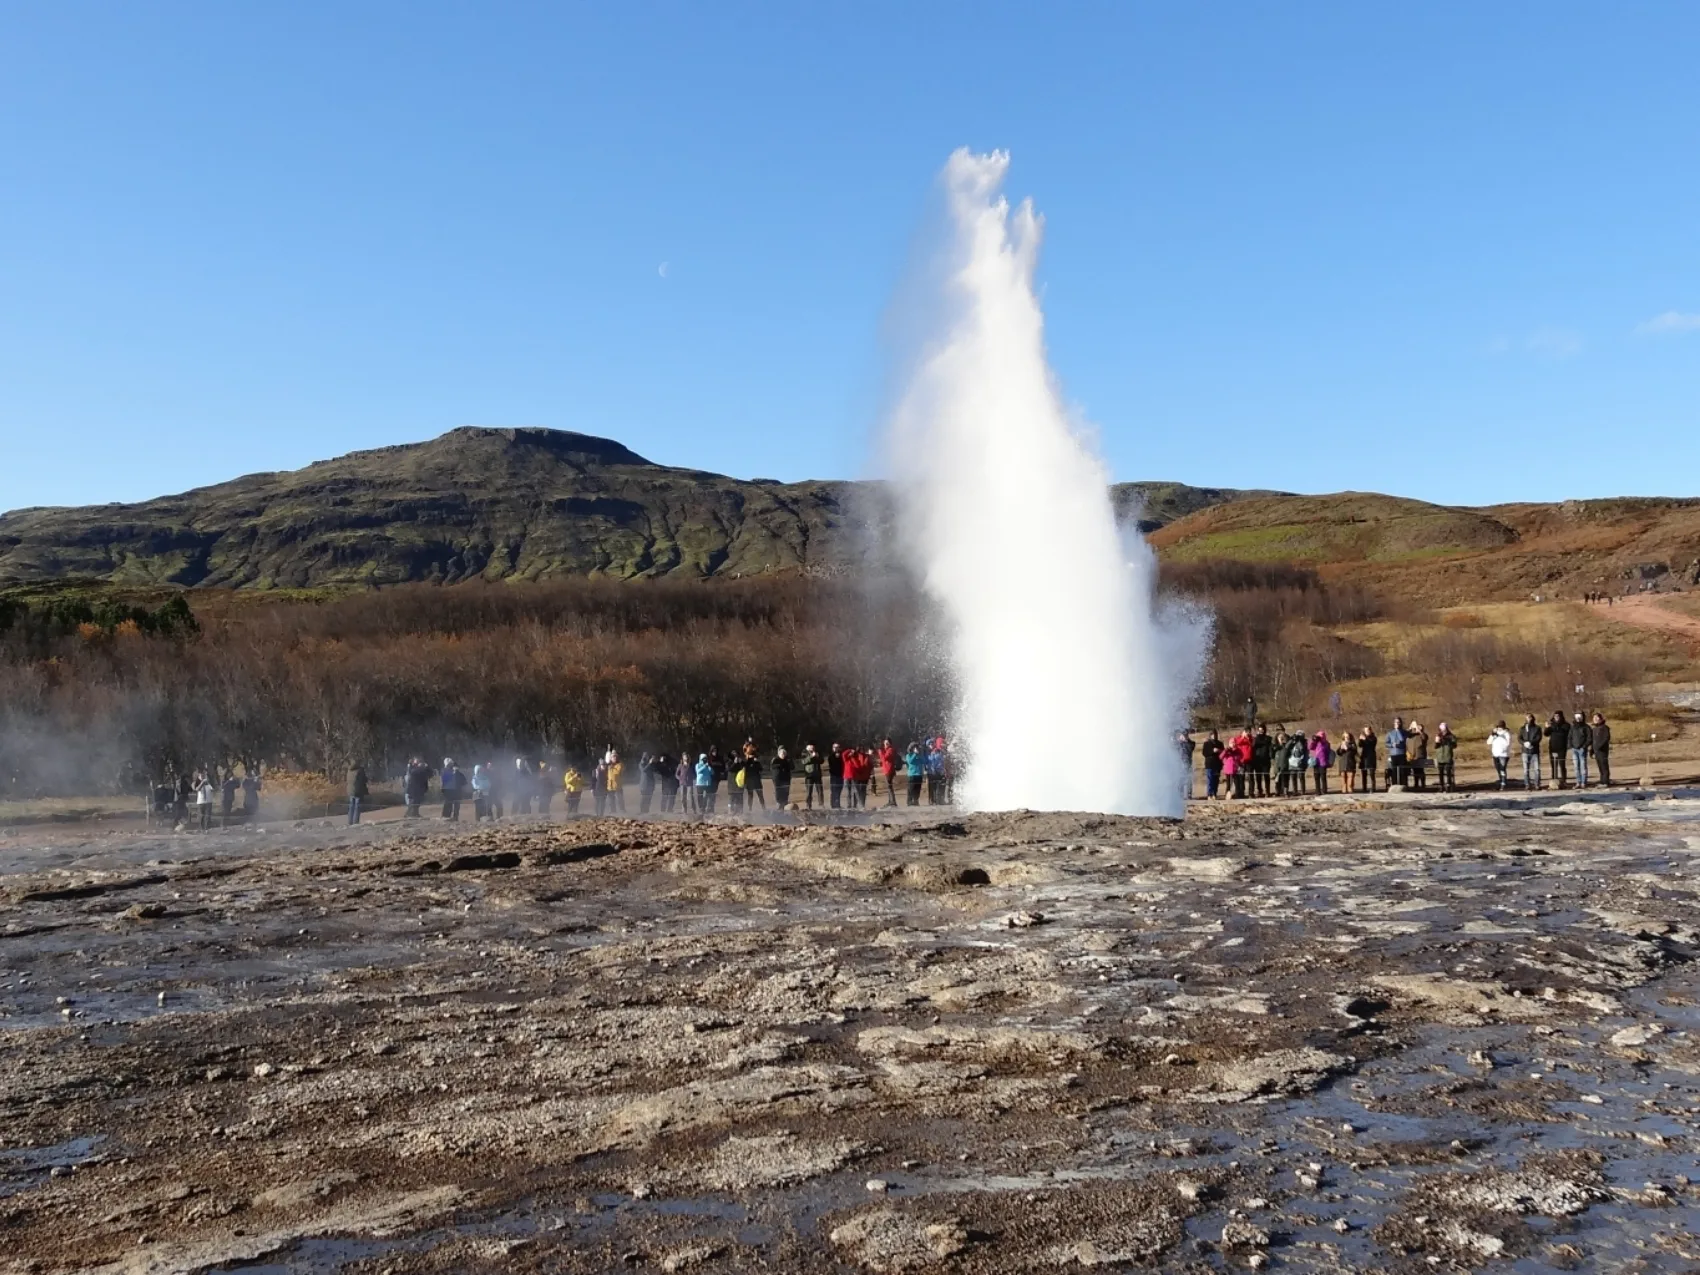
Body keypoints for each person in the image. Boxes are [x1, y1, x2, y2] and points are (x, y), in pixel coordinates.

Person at [1545, 711, 1569, 789]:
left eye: (1558, 716)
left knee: (1562, 765)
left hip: (1562, 747)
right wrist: (1547, 727)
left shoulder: (1566, 725)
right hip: (1553, 747)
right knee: (1553, 765)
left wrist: (1556, 727)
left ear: (1561, 716)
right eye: (1555, 716)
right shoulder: (1551, 725)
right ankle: (1554, 780)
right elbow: (1546, 734)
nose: (1556, 717)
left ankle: (1564, 780)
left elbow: (1565, 732)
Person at [1519, 714, 1544, 790]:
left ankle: (1537, 784)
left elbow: (1538, 738)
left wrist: (1531, 743)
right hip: (1525, 751)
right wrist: (1524, 743)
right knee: (1526, 769)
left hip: (1534, 751)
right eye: (1527, 717)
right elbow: (1519, 738)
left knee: (1536, 769)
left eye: (1530, 717)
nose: (1529, 719)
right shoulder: (1523, 728)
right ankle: (1527, 784)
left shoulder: (1537, 728)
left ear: (1533, 718)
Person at [1488, 720, 1513, 789]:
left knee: (1502, 769)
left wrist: (1503, 750)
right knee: (1498, 769)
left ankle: (1503, 783)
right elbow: (1488, 742)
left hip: (1504, 754)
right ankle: (1501, 781)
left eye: (1501, 727)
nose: (1500, 728)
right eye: (1499, 727)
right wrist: (1493, 734)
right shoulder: (1495, 734)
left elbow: (1508, 744)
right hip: (1495, 754)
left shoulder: (1507, 733)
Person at [1570, 712, 1592, 789]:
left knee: (1583, 766)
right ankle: (1578, 782)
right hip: (1574, 749)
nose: (1578, 718)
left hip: (1582, 749)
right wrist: (1571, 746)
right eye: (1577, 717)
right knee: (1576, 767)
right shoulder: (1573, 727)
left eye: (1580, 717)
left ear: (1582, 717)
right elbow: (1570, 737)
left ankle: (1583, 782)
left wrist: (1584, 747)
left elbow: (1589, 739)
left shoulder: (1586, 727)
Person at [1433, 723, 1458, 792]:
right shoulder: (1438, 736)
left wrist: (1448, 741)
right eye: (1442, 729)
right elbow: (1435, 747)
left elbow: (1454, 745)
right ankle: (1441, 786)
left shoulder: (1451, 736)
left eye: (1444, 729)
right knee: (1440, 773)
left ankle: (1448, 785)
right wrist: (1437, 742)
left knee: (1448, 773)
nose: (1443, 731)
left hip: (1448, 756)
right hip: (1440, 757)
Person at [1384, 717, 1408, 789]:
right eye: (1396, 722)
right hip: (1393, 754)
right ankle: (1394, 785)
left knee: (1402, 771)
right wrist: (1392, 745)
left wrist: (1398, 731)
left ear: (1400, 723)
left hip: (1401, 753)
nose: (1397, 723)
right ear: (1394, 723)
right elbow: (1386, 743)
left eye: (1398, 722)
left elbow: (1402, 739)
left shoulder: (1403, 732)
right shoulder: (1390, 733)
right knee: (1394, 770)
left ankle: (1403, 785)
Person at [1200, 729, 1224, 799]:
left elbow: (1223, 752)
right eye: (1213, 734)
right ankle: (1209, 794)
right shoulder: (1206, 743)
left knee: (1216, 779)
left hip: (1217, 764)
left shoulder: (1220, 743)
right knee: (1210, 779)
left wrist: (1219, 751)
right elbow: (1204, 753)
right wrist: (1212, 751)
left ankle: (1214, 793)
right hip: (1209, 764)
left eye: (1215, 734)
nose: (1214, 736)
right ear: (1210, 735)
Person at [800, 744, 825, 809]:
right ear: (807, 748)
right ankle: (808, 805)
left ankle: (821, 804)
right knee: (809, 791)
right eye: (811, 747)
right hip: (809, 775)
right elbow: (803, 761)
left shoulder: (817, 752)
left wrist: (817, 756)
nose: (812, 748)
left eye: (813, 747)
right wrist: (811, 756)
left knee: (820, 790)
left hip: (817, 774)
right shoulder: (804, 753)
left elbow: (822, 761)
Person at [1309, 730, 1333, 795]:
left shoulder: (1326, 743)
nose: (1320, 737)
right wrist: (1313, 740)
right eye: (1319, 736)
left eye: (1322, 736)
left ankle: (1324, 790)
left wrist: (1322, 741)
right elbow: (1310, 747)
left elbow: (1327, 751)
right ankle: (1317, 791)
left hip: (1323, 762)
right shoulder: (1315, 742)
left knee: (1323, 777)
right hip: (1316, 762)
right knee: (1316, 777)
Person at [1251, 724, 1273, 798]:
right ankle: (1260, 791)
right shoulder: (1255, 739)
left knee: (1266, 776)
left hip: (1266, 760)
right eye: (1259, 730)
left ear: (1264, 730)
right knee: (1258, 777)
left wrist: (1270, 757)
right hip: (1257, 761)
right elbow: (1253, 746)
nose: (1261, 731)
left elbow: (1270, 748)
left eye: (1262, 730)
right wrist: (1257, 737)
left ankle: (1267, 791)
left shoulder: (1268, 738)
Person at [1406, 722, 1429, 791]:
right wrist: (1410, 728)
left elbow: (1424, 738)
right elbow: (1404, 734)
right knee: (1415, 771)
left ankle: (1422, 784)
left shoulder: (1423, 735)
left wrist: (1420, 731)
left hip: (1420, 755)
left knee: (1421, 771)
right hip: (1412, 756)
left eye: (1420, 727)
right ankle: (1416, 784)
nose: (1417, 728)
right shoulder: (1411, 736)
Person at [1591, 712, 1612, 786]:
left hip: (1602, 750)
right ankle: (1602, 781)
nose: (1595, 719)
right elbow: (1592, 740)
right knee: (1600, 766)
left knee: (1604, 766)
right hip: (1596, 750)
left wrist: (1600, 746)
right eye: (1594, 718)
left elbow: (1606, 738)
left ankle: (1606, 781)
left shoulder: (1605, 727)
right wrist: (1592, 750)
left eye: (1597, 718)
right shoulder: (1594, 729)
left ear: (1600, 718)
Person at [1286, 730, 1309, 795]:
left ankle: (1303, 791)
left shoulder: (1304, 742)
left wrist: (1299, 741)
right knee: (1293, 777)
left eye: (1300, 736)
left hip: (1300, 762)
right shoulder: (1293, 741)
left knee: (1301, 777)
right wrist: (1291, 739)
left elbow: (1303, 749)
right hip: (1292, 762)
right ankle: (1295, 791)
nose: (1298, 737)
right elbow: (1286, 747)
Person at [878, 739, 898, 807]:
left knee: (889, 786)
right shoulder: (887, 750)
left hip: (889, 770)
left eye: (887, 743)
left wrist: (880, 753)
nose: (885, 745)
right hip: (887, 770)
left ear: (890, 744)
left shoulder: (890, 750)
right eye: (885, 743)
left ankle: (893, 802)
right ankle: (890, 801)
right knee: (889, 786)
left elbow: (884, 758)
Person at [1177, 730, 1196, 800]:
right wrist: (1179, 741)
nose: (1185, 737)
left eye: (1186, 735)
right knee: (1180, 779)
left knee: (1189, 779)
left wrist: (1186, 741)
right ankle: (1180, 795)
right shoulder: (1179, 743)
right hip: (1180, 764)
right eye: (1184, 735)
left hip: (1188, 764)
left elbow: (1190, 748)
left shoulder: (1192, 743)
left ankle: (1189, 794)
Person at [1357, 726, 1377, 793]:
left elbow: (1371, 744)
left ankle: (1373, 788)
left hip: (1371, 757)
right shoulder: (1363, 737)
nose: (1367, 732)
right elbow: (1360, 745)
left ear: (1370, 730)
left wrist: (1365, 739)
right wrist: (1360, 739)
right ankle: (1364, 788)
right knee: (1364, 773)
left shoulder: (1373, 738)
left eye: (1368, 730)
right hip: (1364, 757)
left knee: (1371, 774)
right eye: (1365, 730)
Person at [828, 743, 846, 810]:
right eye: (835, 747)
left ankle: (838, 804)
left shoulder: (841, 756)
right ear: (833, 748)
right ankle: (833, 805)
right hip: (834, 776)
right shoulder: (831, 756)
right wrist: (836, 758)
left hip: (841, 775)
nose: (836, 748)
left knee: (839, 791)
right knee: (834, 791)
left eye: (838, 747)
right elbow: (832, 765)